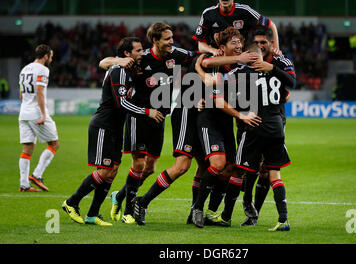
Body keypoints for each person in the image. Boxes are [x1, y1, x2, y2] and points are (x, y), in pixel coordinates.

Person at [100, 23, 206, 224]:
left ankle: (119, 196)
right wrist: (119, 61)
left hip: (159, 118)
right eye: (167, 39)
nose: (171, 42)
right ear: (155, 40)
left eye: (172, 38)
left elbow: (199, 56)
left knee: (149, 168)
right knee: (138, 163)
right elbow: (104, 63)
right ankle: (130, 212)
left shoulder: (176, 55)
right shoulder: (142, 58)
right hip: (139, 117)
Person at [62, 37, 163, 226]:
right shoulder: (119, 71)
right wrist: (147, 112)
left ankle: (92, 214)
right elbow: (122, 103)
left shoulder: (128, 71)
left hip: (115, 127)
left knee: (113, 171)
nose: (142, 53)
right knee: (106, 170)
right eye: (139, 50)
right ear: (127, 53)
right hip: (104, 125)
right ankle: (71, 202)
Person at [195, 42, 296, 231]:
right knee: (274, 173)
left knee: (237, 170)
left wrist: (197, 69)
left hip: (253, 126)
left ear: (248, 56)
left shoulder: (240, 74)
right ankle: (283, 220)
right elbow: (287, 95)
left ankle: (225, 217)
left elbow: (212, 82)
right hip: (276, 127)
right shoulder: (275, 72)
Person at [190, 28, 261, 228]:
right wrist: (240, 115)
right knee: (218, 164)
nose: (239, 46)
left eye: (240, 42)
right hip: (209, 120)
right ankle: (197, 207)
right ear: (222, 48)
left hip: (226, 123)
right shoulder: (215, 65)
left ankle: (212, 213)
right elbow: (217, 99)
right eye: (234, 43)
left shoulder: (241, 67)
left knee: (230, 168)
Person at [240, 26, 294, 227]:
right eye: (258, 42)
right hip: (265, 121)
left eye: (264, 42)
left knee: (262, 170)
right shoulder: (249, 62)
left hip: (272, 120)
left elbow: (291, 83)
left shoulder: (281, 61)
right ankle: (277, 218)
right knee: (258, 170)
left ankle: (253, 211)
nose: (261, 46)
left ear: (272, 43)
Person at [18, 44, 59, 192]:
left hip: (24, 112)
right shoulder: (43, 70)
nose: (51, 59)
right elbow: (39, 92)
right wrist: (43, 114)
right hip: (36, 112)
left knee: (27, 148)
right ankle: (37, 175)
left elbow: (21, 94)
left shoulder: (25, 69)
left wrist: (27, 108)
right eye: (51, 56)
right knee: (54, 144)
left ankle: (24, 185)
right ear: (46, 56)